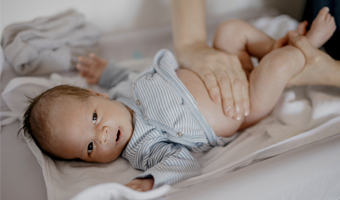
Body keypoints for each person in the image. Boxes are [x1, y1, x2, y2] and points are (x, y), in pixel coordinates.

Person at [21, 7, 336, 192]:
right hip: (243, 106)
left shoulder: (120, 93)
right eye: (89, 148)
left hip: (225, 67)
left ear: (97, 95)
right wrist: (151, 180)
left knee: (230, 31)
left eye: (93, 118)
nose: (101, 135)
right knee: (277, 68)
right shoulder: (142, 149)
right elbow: (184, 164)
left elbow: (118, 78)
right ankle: (306, 47)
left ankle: (277, 45)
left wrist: (105, 69)